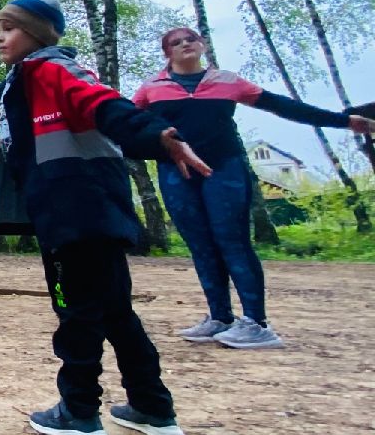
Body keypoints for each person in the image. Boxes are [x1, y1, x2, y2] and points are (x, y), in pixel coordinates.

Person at [0, 0, 210, 435]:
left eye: (8, 29)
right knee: (116, 311)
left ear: (37, 34)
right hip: (92, 207)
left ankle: (79, 410)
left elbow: (104, 104)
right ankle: (152, 405)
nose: (0, 39)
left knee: (76, 311)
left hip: (70, 210)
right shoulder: (29, 81)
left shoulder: (50, 70)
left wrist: (158, 136)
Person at [133, 27, 374, 350]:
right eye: (176, 43)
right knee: (200, 244)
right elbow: (125, 121)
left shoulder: (228, 81)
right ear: (167, 54)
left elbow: (283, 106)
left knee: (232, 240)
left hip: (224, 169)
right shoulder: (152, 88)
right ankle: (220, 317)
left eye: (191, 39)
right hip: (176, 173)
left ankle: (257, 324)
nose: (185, 44)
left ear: (202, 45)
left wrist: (344, 122)